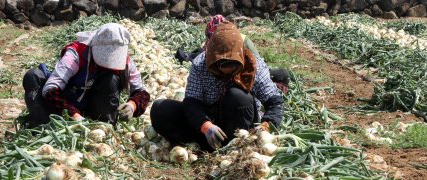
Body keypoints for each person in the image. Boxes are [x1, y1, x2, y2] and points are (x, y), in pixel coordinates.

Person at [151, 22, 285, 151]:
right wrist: (205, 125)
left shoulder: (254, 65)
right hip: (210, 119)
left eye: (232, 65)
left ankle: (236, 145)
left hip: (241, 124)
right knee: (160, 109)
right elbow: (192, 102)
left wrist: (265, 126)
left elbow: (275, 103)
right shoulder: (200, 64)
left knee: (237, 96)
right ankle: (207, 143)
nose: (226, 71)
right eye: (221, 64)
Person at [21, 23, 150, 128]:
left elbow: (141, 92)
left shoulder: (125, 61)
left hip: (94, 105)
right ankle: (43, 125)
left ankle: (103, 127)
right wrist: (73, 114)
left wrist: (132, 106)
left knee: (110, 79)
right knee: (32, 77)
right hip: (66, 102)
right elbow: (50, 89)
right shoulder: (76, 53)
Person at [175, 15, 291, 94]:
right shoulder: (211, 41)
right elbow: (202, 54)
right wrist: (188, 57)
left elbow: (257, 62)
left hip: (245, 67)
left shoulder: (243, 40)